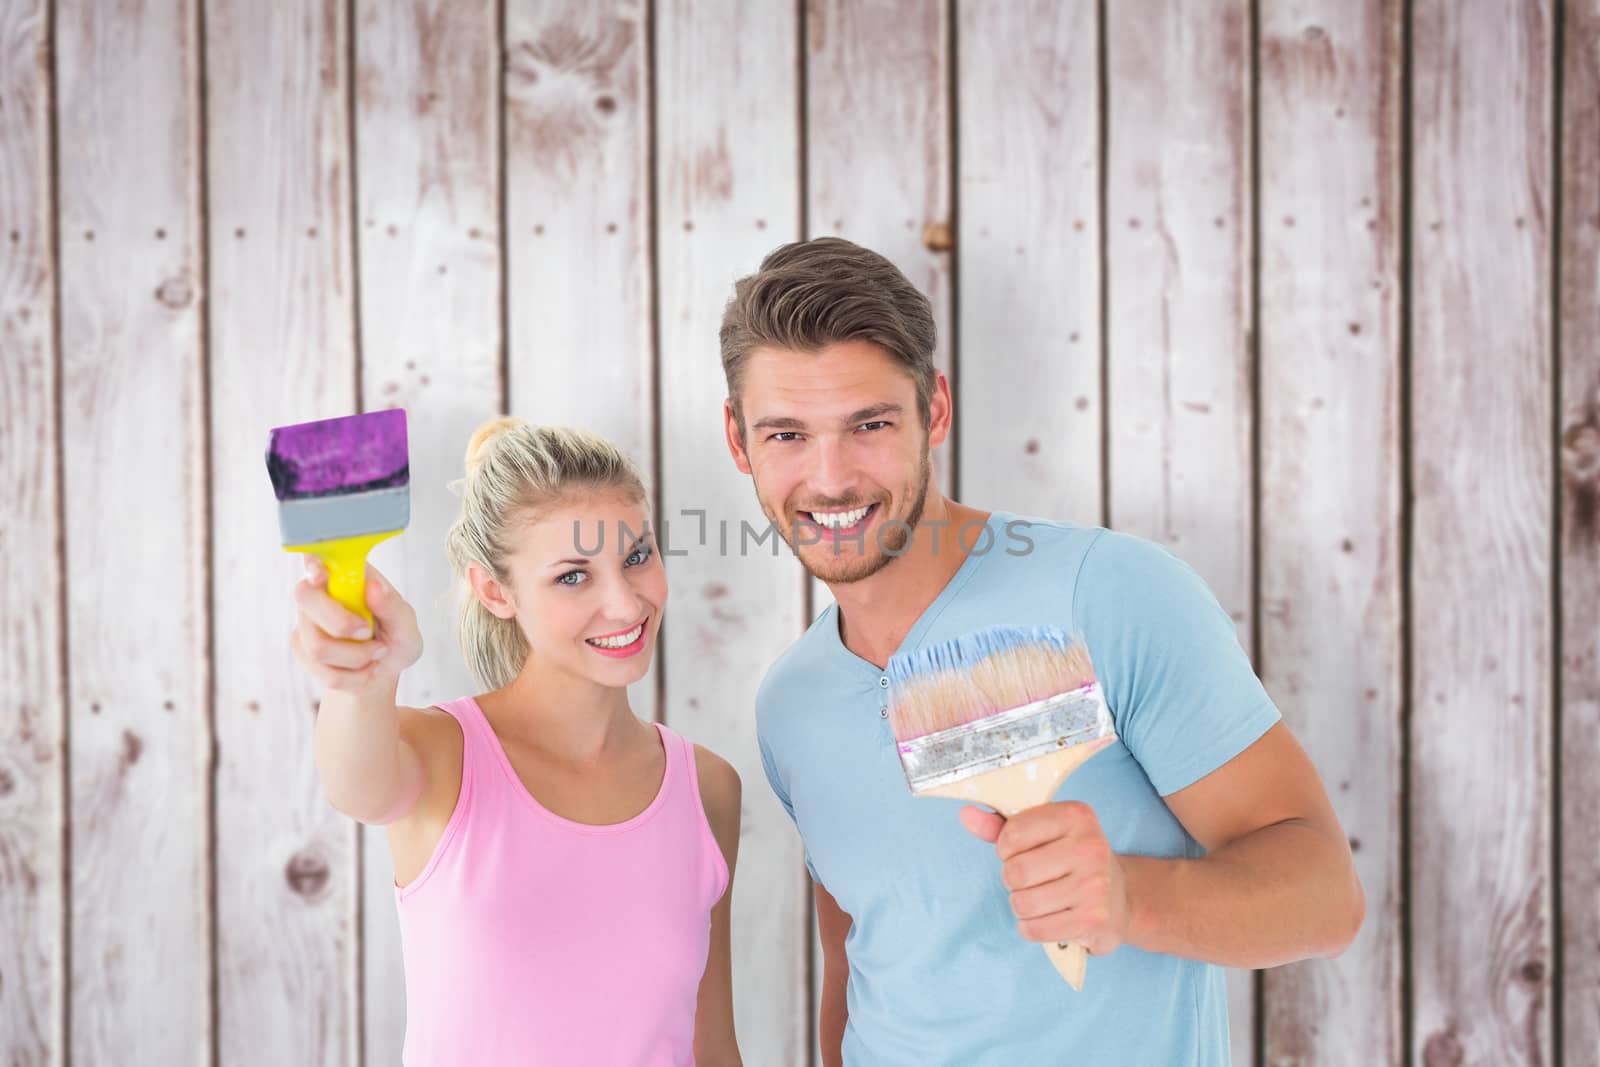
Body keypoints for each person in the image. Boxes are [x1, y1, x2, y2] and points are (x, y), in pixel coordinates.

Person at [720, 237, 1364, 1065]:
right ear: (739, 443)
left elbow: (1326, 897)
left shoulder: (1109, 593)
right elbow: (855, 966)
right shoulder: (792, 702)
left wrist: (1132, 897)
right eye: (786, 435)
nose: (832, 476)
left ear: (937, 411)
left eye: (870, 423)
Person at [290, 417, 743, 1066]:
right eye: (572, 576)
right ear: (495, 590)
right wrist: (366, 677)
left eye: (637, 556)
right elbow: (354, 785)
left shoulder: (707, 788)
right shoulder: (442, 756)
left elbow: (714, 1048)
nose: (624, 603)